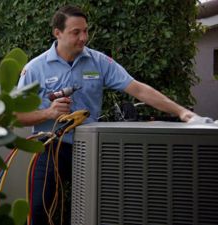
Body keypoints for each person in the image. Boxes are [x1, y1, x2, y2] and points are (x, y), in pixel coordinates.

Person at [15, 5, 200, 225]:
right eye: (76, 32)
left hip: (91, 148)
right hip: (50, 147)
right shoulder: (35, 68)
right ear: (58, 33)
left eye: (86, 31)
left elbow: (138, 89)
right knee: (38, 209)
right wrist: (48, 112)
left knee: (101, 209)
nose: (83, 37)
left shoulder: (99, 62)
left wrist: (182, 112)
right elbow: (16, 116)